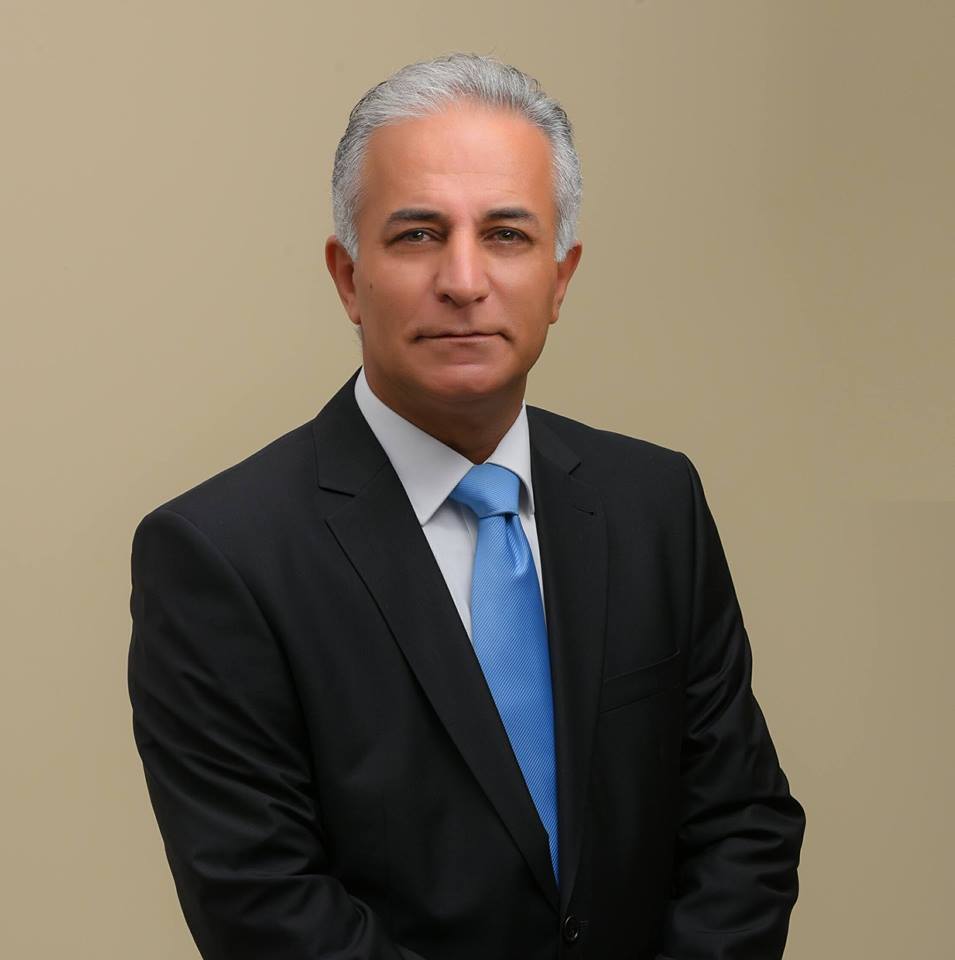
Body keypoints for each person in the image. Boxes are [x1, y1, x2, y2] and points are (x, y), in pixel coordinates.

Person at [128, 53, 805, 960]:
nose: (462, 279)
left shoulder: (654, 503)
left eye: (506, 234)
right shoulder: (218, 555)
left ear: (560, 278)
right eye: (416, 234)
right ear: (347, 277)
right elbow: (264, 905)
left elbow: (741, 825)